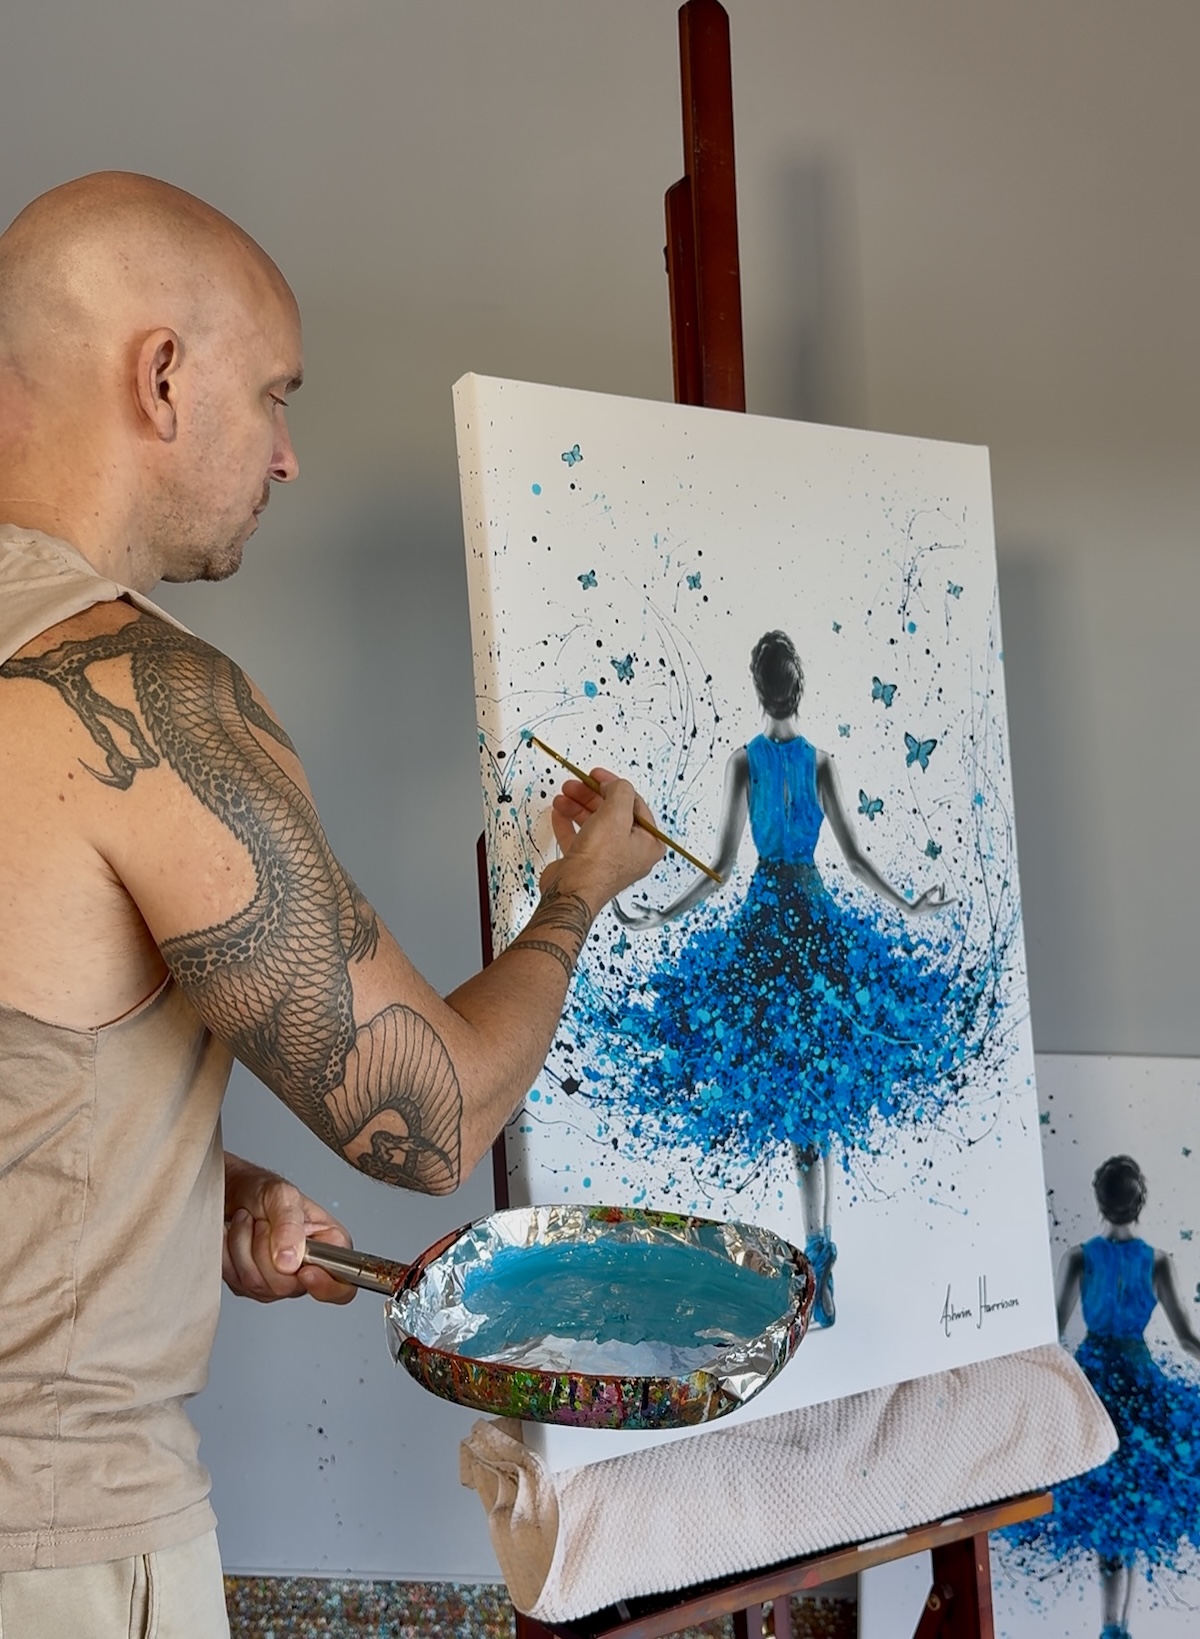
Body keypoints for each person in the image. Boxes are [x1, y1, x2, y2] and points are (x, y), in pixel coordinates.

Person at [0, 172, 663, 1636]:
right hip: (51, 1544)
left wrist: (198, 1191)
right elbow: (430, 1117)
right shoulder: (145, 695)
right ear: (162, 378)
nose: (288, 453)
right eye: (275, 393)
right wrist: (574, 895)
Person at [605, 629, 973, 1328]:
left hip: (775, 927)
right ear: (797, 685)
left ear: (761, 686)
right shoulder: (811, 762)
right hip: (801, 923)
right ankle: (818, 1255)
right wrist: (906, 904)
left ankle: (817, 1259)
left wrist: (664, 913)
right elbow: (852, 861)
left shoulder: (748, 762)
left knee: (803, 1103)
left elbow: (721, 869)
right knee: (810, 1103)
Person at [1003, 1155, 1200, 1639]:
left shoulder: (1079, 1258)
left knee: (1110, 1511)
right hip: (1141, 1392)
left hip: (1092, 1389)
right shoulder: (1157, 1262)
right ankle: (1116, 1628)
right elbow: (1187, 1339)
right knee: (1127, 1508)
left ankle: (1114, 1628)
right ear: (1140, 1200)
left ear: (1099, 1199)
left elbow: (1050, 1335)